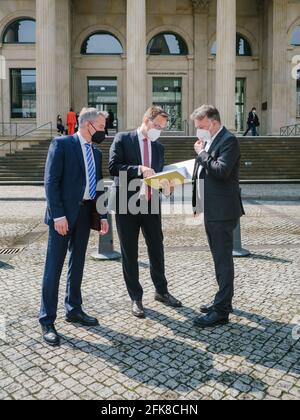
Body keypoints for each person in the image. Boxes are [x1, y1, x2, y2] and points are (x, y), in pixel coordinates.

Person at [39, 108, 109, 347]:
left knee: (77, 264)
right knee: (54, 267)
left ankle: (74, 309)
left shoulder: (96, 153)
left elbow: (98, 186)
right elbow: (51, 181)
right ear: (88, 125)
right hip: (63, 217)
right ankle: (47, 320)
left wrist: (103, 216)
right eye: (101, 126)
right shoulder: (62, 144)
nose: (103, 131)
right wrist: (57, 214)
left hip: (84, 215)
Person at [109, 106, 182, 319]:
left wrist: (168, 187)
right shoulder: (123, 139)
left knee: (157, 249)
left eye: (162, 128)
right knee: (129, 252)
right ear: (146, 120)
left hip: (151, 204)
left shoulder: (159, 148)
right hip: (127, 204)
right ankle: (136, 297)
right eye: (157, 125)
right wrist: (139, 169)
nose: (159, 130)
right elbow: (114, 167)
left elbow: (158, 177)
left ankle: (161, 291)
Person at [191, 105, 245, 328]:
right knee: (218, 258)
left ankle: (221, 310)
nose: (198, 131)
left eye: (200, 126)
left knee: (223, 260)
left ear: (212, 122)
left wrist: (202, 154)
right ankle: (223, 301)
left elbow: (221, 171)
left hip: (223, 211)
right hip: (212, 208)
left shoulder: (229, 140)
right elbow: (204, 173)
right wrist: (198, 202)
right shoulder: (212, 140)